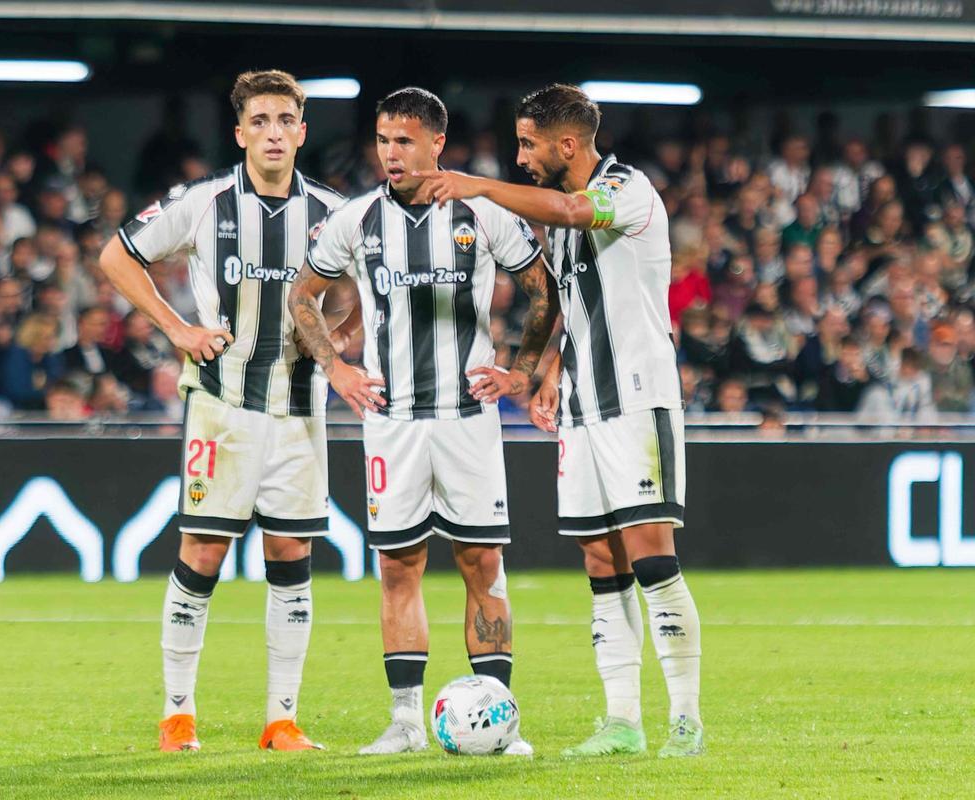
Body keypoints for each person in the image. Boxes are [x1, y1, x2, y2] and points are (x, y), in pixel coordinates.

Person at [414, 83, 704, 758]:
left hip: (635, 398)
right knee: (601, 561)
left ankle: (685, 720)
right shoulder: (567, 222)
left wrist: (474, 185)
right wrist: (540, 375)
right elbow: (582, 312)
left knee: (652, 557)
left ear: (566, 144)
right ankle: (623, 721)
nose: (520, 158)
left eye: (527, 144)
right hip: (582, 406)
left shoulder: (623, 190)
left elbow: (572, 208)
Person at [289, 87, 554, 757]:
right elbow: (302, 298)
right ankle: (406, 722)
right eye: (383, 140)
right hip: (394, 421)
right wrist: (337, 370)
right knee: (399, 569)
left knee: (482, 563)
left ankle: (501, 715)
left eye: (404, 140)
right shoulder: (356, 221)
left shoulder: (482, 213)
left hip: (468, 419)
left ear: (438, 143)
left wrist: (521, 372)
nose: (391, 153)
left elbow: (541, 292)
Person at [99, 70, 354, 754]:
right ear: (240, 132)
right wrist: (177, 329)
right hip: (223, 406)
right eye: (260, 121)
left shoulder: (334, 211)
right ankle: (177, 713)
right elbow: (116, 257)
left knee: (291, 553)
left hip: (301, 409)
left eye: (285, 121)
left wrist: (338, 334)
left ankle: (282, 719)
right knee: (204, 551)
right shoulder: (204, 202)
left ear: (302, 131)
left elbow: (354, 286)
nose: (273, 133)